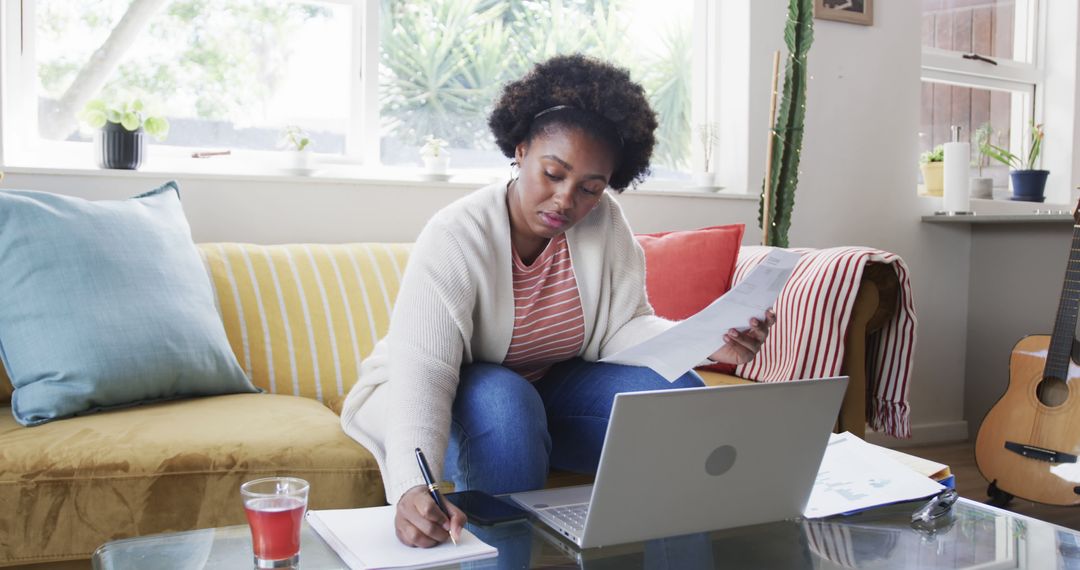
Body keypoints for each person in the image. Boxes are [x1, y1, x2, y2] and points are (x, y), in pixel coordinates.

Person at [340, 54, 776, 548]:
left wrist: (704, 344)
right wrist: (410, 486)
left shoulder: (604, 221)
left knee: (679, 393)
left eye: (590, 188)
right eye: (553, 173)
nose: (567, 200)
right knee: (507, 403)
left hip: (550, 389)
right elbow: (426, 370)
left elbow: (625, 328)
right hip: (466, 394)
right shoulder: (456, 235)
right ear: (521, 150)